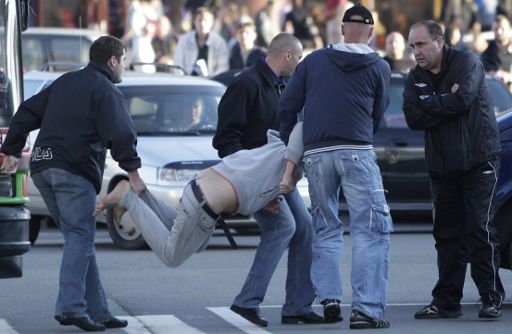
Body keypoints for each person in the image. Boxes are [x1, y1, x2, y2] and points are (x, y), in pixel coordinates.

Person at [0, 36, 145, 332]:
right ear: (113, 60)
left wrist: (13, 149)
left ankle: (100, 311)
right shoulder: (104, 89)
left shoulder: (65, 81)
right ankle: (70, 307)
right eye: (125, 61)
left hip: (42, 169)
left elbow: (26, 111)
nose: (124, 68)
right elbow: (121, 132)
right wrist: (133, 172)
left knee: (80, 240)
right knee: (80, 237)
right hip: (72, 170)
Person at [278, 4, 392, 329]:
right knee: (370, 230)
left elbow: (287, 106)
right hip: (356, 150)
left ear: (342, 29)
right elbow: (377, 114)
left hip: (316, 154)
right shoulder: (377, 66)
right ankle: (366, 310)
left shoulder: (313, 61)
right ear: (370, 34)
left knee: (326, 227)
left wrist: (295, 145)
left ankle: (329, 298)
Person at [212, 33, 322, 327]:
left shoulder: (281, 85)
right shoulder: (246, 83)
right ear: (287, 55)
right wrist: (252, 183)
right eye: (298, 58)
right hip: (254, 178)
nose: (300, 64)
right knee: (284, 227)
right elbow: (225, 139)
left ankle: (297, 307)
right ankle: (246, 302)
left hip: (277, 176)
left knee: (305, 228)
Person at [93, 123, 304, 269]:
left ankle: (141, 194)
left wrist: (265, 200)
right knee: (171, 257)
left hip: (199, 191)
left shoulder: (276, 149)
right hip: (204, 203)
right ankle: (128, 197)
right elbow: (302, 130)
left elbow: (248, 182)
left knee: (196, 242)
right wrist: (287, 176)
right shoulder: (292, 155)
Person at [403, 20, 504, 320]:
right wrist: (443, 102)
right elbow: (412, 117)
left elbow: (463, 100)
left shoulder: (467, 63)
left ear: (439, 41)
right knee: (446, 235)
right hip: (442, 166)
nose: (416, 52)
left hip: (478, 161)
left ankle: (490, 296)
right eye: (412, 46)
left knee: (478, 228)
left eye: (420, 44)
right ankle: (447, 301)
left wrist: (431, 103)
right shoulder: (414, 76)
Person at [174, 6, 229, 76]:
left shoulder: (220, 42)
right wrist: (185, 79)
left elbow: (223, 68)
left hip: (212, 83)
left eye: (205, 20)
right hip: (187, 81)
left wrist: (212, 80)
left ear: (212, 22)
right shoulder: (184, 40)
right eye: (199, 20)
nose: (202, 24)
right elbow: (178, 65)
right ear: (194, 22)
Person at [481, 15, 512, 91]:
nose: (499, 32)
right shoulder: (486, 54)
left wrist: (508, 77)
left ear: (509, 30)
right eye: (496, 29)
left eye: (502, 29)